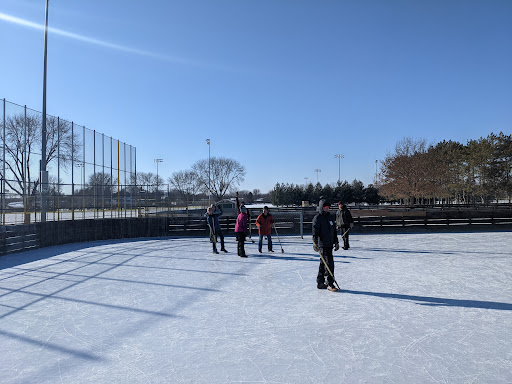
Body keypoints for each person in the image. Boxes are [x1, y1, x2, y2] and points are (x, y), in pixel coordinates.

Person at [312, 199, 340, 292]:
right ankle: (329, 282)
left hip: (329, 244)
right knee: (329, 263)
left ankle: (320, 282)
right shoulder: (318, 218)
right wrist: (315, 243)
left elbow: (334, 231)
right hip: (322, 244)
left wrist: (336, 242)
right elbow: (315, 232)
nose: (327, 209)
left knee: (323, 263)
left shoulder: (330, 217)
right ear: (321, 208)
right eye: (325, 207)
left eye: (328, 207)